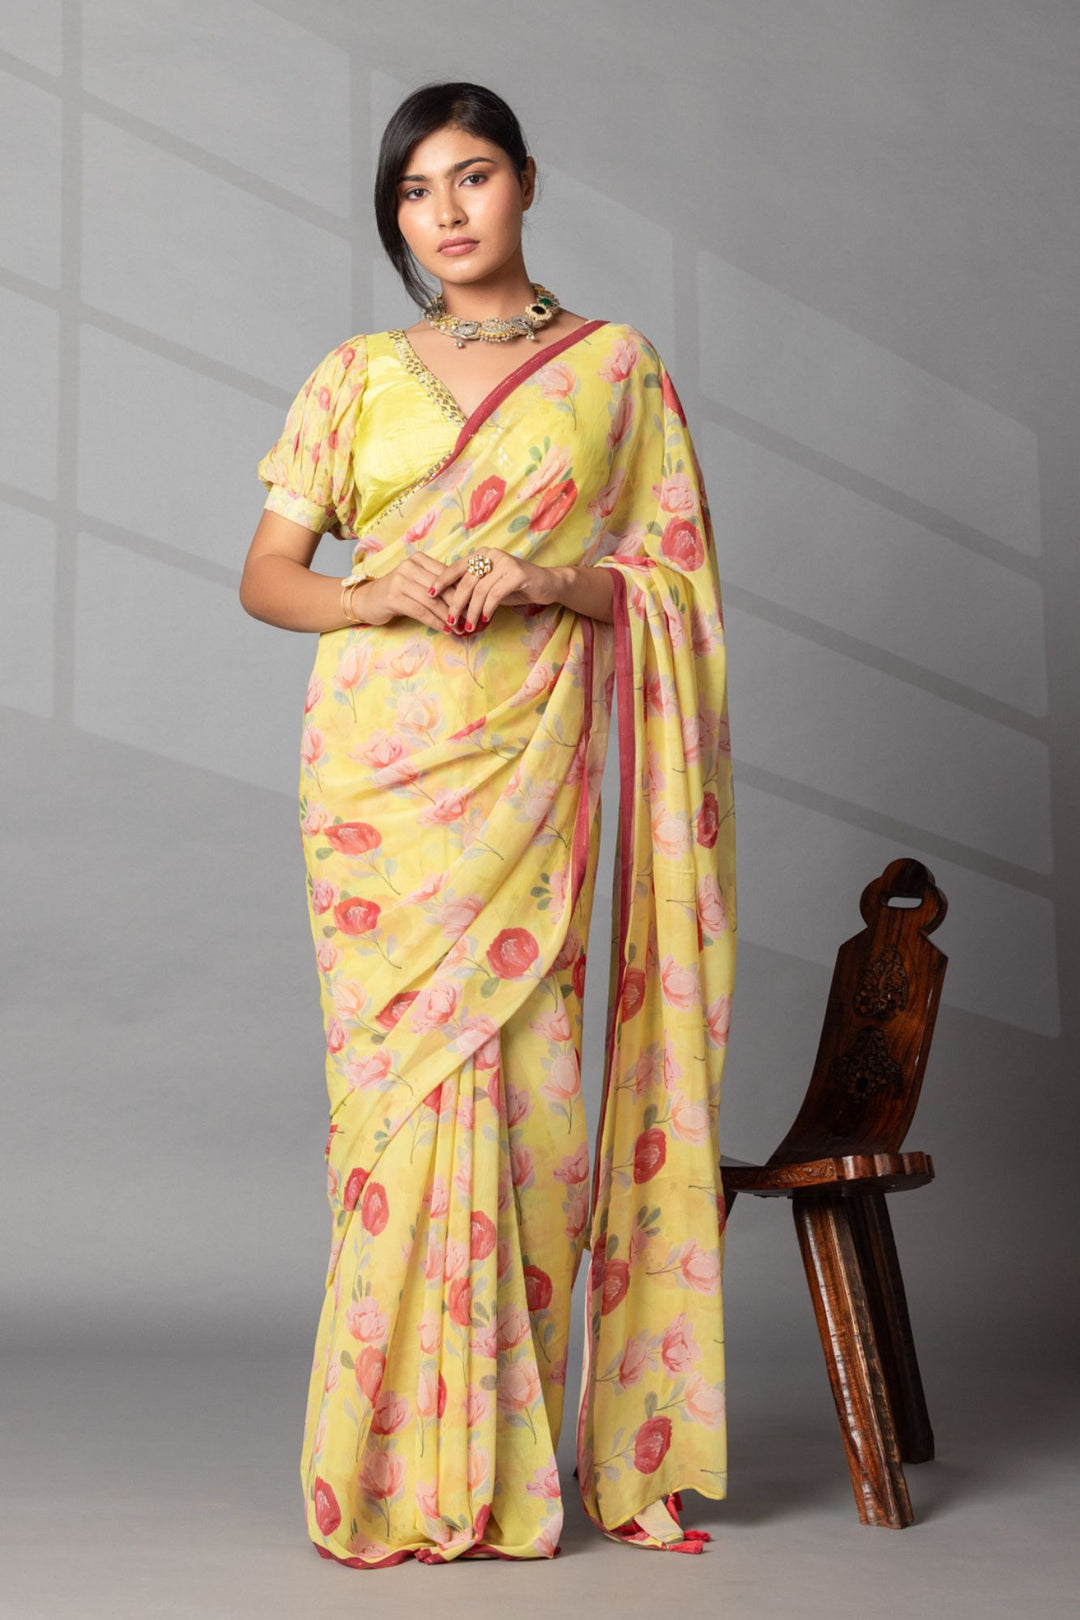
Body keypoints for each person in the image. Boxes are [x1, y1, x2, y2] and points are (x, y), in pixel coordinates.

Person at [239, 80, 737, 1568]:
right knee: (393, 1116)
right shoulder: (354, 376)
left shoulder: (614, 371)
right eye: (414, 191)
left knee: (534, 1116)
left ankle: (510, 1464)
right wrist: (368, 590)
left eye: (471, 178)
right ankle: (389, 1468)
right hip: (376, 787)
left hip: (531, 769)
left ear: (526, 182)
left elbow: (671, 581)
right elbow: (268, 575)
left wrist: (547, 579)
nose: (445, 213)